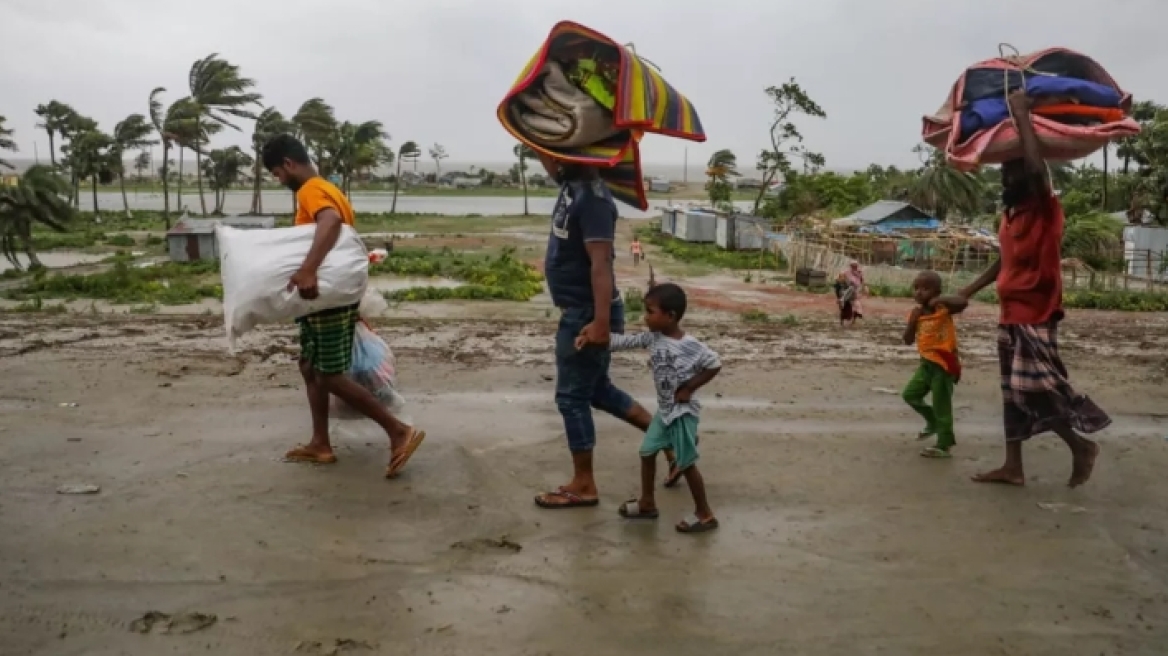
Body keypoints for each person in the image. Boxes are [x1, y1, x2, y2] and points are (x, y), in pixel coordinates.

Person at [957, 90, 1110, 487]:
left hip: (1036, 314)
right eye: (1004, 172)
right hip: (1010, 315)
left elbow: (1038, 170)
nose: (1008, 177)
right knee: (1012, 394)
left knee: (1038, 390)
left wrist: (1022, 113)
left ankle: (1081, 447)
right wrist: (968, 292)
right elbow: (1003, 261)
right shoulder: (1009, 217)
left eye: (1015, 171)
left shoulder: (1046, 209)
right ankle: (1013, 467)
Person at [261, 134, 425, 477]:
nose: (280, 181)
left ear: (289, 164)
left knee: (328, 374)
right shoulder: (327, 187)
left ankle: (398, 430)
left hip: (325, 296)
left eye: (277, 174)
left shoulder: (311, 190)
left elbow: (331, 222)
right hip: (326, 297)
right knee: (309, 366)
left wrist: (307, 269)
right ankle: (320, 443)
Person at [534, 153, 655, 509]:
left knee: (571, 398)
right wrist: (535, 132)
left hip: (587, 313)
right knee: (598, 390)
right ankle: (674, 443)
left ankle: (584, 484)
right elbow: (551, 160)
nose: (554, 157)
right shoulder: (573, 183)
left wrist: (600, 323)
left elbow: (601, 264)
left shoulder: (595, 200)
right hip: (581, 310)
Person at [583, 283, 721, 533]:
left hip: (682, 414)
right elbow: (625, 342)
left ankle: (705, 514)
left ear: (670, 316)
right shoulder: (654, 337)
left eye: (650, 312)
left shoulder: (690, 345)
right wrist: (595, 336)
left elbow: (714, 364)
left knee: (686, 463)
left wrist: (689, 388)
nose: (645, 317)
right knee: (647, 452)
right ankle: (647, 503)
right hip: (665, 411)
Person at [902, 271, 967, 458]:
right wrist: (912, 323)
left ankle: (944, 444)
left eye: (925, 288)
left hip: (944, 365)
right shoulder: (916, 314)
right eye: (916, 288)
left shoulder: (942, 309)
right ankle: (932, 422)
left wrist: (939, 300)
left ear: (936, 292)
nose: (919, 293)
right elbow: (907, 340)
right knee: (910, 395)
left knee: (942, 405)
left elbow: (962, 302)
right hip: (926, 364)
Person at [842, 260, 866, 325]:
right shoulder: (847, 272)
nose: (854, 267)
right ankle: (851, 318)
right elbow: (841, 279)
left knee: (856, 303)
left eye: (855, 266)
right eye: (853, 266)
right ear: (851, 266)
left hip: (856, 290)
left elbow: (862, 281)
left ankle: (855, 317)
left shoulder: (859, 272)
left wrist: (864, 287)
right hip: (849, 290)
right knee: (850, 304)